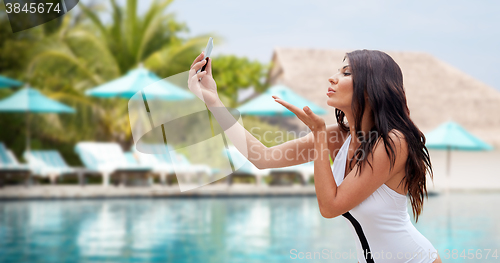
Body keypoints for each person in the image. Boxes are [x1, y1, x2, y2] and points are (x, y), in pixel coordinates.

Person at [188, 49, 442, 263]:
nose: (332, 78)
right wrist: (213, 100)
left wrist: (319, 135)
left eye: (346, 73)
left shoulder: (393, 142)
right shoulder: (338, 137)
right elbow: (261, 157)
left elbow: (330, 206)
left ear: (370, 87)